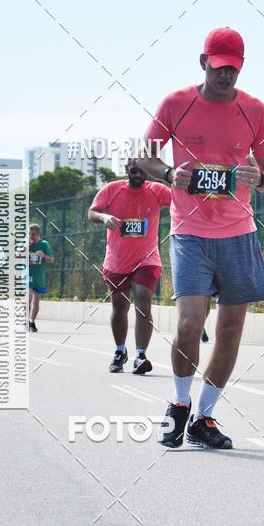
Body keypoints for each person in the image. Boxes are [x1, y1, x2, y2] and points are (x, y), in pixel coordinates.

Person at [141, 26, 264, 449]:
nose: (226, 77)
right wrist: (168, 174)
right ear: (203, 62)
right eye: (219, 68)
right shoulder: (176, 104)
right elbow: (142, 158)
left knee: (232, 330)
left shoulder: (255, 110)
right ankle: (179, 405)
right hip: (191, 233)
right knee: (188, 325)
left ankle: (205, 417)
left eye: (233, 70)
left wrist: (260, 178)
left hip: (239, 233)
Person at [88, 159, 171, 374]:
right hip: (117, 260)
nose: (138, 176)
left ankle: (141, 355)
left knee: (143, 300)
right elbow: (92, 212)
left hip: (147, 258)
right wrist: (104, 217)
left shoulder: (157, 191)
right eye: (134, 171)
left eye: (143, 172)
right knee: (120, 306)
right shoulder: (112, 190)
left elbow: (180, 201)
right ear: (127, 170)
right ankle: (120, 350)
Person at [28, 223, 54, 332]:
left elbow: (51, 260)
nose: (31, 236)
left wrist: (44, 256)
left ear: (38, 234)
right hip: (27, 276)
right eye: (29, 234)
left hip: (39, 277)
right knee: (27, 298)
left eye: (33, 234)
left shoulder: (44, 244)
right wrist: (26, 247)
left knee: (36, 301)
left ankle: (32, 322)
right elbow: (15, 255)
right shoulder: (25, 243)